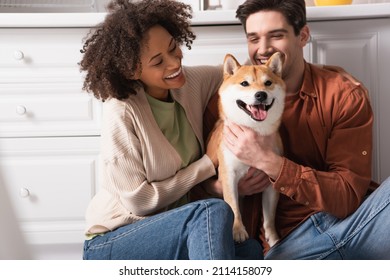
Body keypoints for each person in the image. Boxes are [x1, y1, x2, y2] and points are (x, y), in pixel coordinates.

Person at [202, 0, 390, 259]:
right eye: (253, 38)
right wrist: (224, 186)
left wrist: (269, 162)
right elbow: (198, 182)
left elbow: (348, 195)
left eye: (276, 36)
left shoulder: (342, 95)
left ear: (303, 35)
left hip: (346, 224)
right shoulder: (229, 99)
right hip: (282, 244)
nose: (263, 49)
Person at [79, 0, 262, 260]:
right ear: (133, 71)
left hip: (177, 229)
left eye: (173, 48)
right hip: (114, 240)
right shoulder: (120, 111)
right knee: (212, 212)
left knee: (250, 250)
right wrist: (208, 163)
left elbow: (243, 77)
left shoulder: (190, 82)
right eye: (158, 62)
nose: (174, 62)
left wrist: (312, 71)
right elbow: (139, 202)